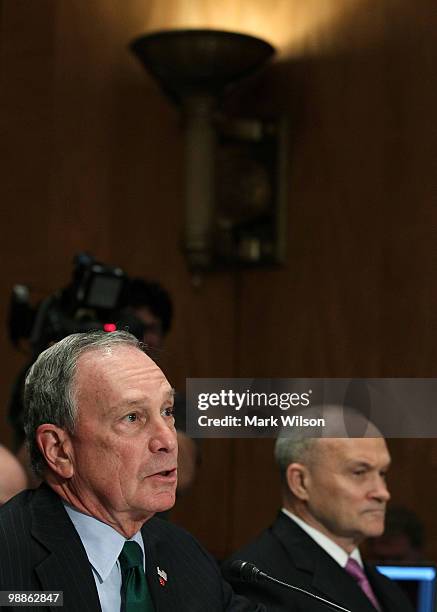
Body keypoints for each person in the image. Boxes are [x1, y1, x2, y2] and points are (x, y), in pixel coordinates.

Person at [0, 331, 264, 612]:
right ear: (59, 450)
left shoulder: (184, 555)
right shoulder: (8, 560)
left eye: (167, 411)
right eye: (132, 417)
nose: (168, 441)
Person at [224, 406, 414, 612]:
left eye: (382, 473)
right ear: (301, 482)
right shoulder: (258, 578)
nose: (382, 492)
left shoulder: (385, 587)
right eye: (359, 472)